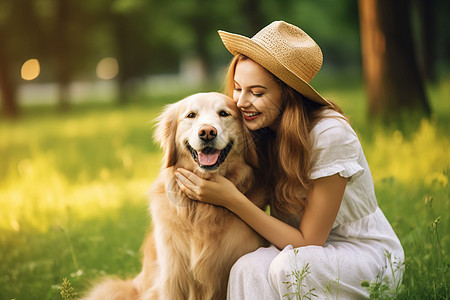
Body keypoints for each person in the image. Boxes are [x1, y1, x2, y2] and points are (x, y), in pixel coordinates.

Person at [175, 21, 404, 299]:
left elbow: (309, 241)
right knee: (245, 268)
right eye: (237, 88)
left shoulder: (330, 135)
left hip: (362, 255)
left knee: (289, 267)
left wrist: (231, 199)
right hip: (297, 249)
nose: (242, 102)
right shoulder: (258, 131)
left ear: (287, 94)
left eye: (257, 93)